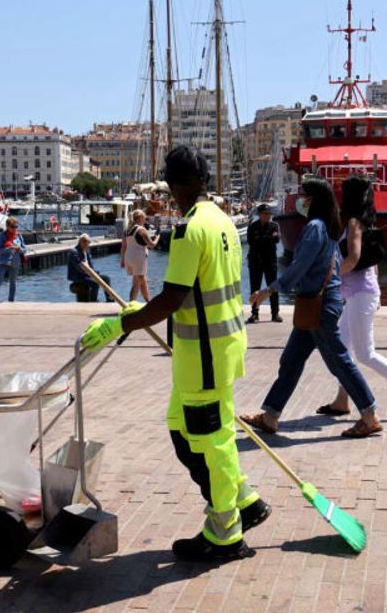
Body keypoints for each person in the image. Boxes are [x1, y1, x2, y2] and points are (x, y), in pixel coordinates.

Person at [80, 145, 270, 562]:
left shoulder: (188, 230)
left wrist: (119, 324)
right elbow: (193, 292)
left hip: (203, 352)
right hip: (219, 348)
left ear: (171, 185)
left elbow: (172, 298)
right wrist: (138, 311)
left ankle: (225, 530)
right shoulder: (221, 219)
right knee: (184, 428)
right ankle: (245, 500)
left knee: (209, 441)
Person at [240, 177, 383, 439]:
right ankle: (270, 416)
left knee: (338, 361)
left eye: (302, 195)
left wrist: (268, 290)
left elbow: (299, 267)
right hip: (315, 303)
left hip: (318, 306)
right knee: (291, 360)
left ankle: (370, 414)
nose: (298, 199)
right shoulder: (326, 226)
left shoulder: (315, 227)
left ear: (313, 199)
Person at [316, 175, 387, 421]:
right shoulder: (364, 221)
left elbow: (354, 259)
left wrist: (327, 278)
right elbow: (373, 261)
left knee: (365, 354)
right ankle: (342, 400)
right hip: (359, 293)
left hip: (360, 295)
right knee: (343, 350)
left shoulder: (355, 223)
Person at [245, 204, 281, 323]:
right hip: (255, 261)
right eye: (265, 214)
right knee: (255, 288)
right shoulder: (252, 227)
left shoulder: (274, 226)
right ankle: (254, 314)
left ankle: (275, 313)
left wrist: (261, 238)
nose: (268, 216)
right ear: (259, 214)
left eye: (269, 214)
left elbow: (276, 240)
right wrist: (266, 238)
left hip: (270, 261)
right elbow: (251, 242)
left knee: (273, 287)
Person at [121, 209, 160, 302]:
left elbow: (123, 246)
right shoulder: (141, 230)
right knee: (137, 282)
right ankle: (131, 304)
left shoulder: (127, 230)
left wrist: (122, 260)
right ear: (141, 218)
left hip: (128, 257)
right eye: (145, 218)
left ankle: (148, 301)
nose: (145, 220)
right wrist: (158, 237)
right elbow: (152, 245)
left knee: (142, 280)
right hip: (138, 258)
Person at [0, 217, 27, 305]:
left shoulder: (19, 236)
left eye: (16, 226)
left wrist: (20, 249)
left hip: (15, 262)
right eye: (13, 227)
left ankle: (11, 300)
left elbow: (25, 249)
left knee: (13, 282)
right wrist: (9, 248)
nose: (15, 228)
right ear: (7, 226)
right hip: (3, 261)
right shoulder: (2, 236)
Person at [68, 234, 113, 302]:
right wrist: (92, 274)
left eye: (89, 242)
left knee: (106, 278)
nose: (88, 244)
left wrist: (94, 273)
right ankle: (93, 301)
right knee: (95, 283)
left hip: (88, 274)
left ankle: (110, 300)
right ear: (81, 242)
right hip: (79, 276)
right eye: (86, 242)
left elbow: (91, 266)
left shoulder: (86, 251)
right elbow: (79, 268)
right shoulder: (74, 252)